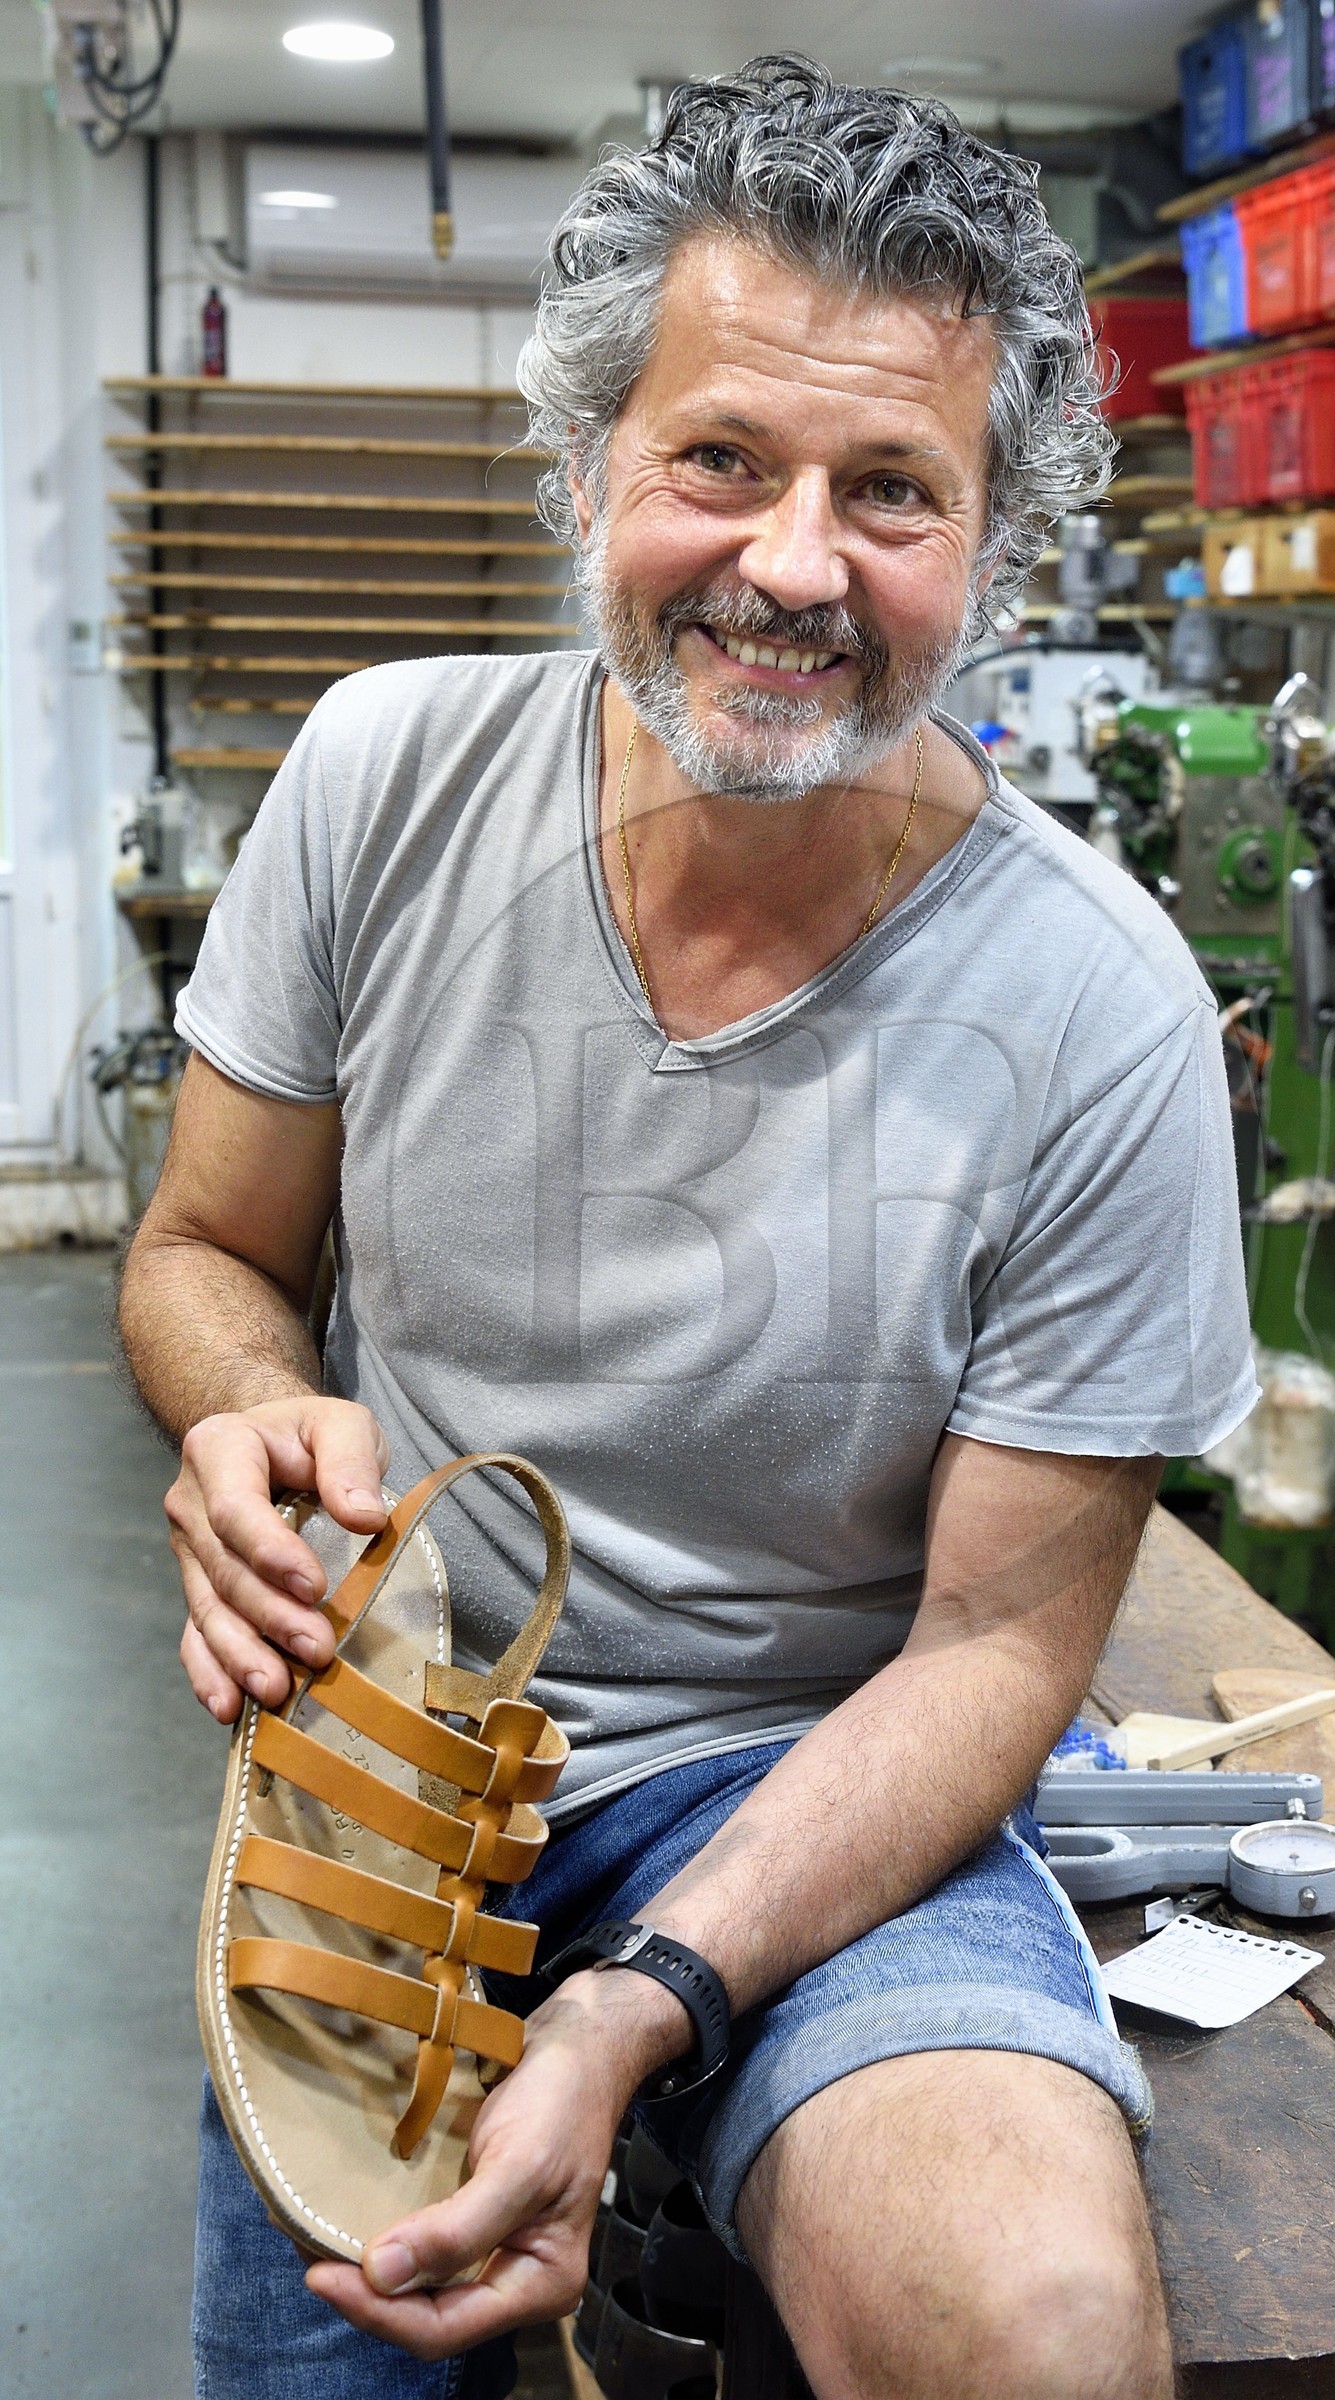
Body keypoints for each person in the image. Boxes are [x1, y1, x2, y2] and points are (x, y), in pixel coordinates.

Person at [119, 56, 1255, 2400]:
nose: (793, 565)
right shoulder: (385, 784)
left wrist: (649, 2004)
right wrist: (252, 1417)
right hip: (408, 1735)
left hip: (818, 1756)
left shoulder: (1099, 1007)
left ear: (994, 545)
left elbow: (987, 1659)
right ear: (583, 468)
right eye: (719, 456)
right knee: (340, 2357)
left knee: (1026, 2335)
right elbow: (204, 1257)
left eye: (892, 493)